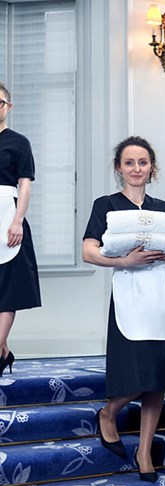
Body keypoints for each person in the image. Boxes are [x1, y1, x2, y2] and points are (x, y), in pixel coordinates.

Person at [82, 136, 165, 482]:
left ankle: (145, 451)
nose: (136, 168)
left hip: (161, 293)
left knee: (157, 378)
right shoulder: (106, 205)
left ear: (151, 167)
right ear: (119, 168)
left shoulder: (162, 207)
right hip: (130, 293)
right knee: (138, 374)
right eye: (129, 163)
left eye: (143, 162)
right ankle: (109, 413)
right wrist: (124, 260)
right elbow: (89, 252)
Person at [0, 83, 41, 374]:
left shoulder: (18, 142)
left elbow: (24, 183)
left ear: (8, 107)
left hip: (7, 214)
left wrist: (17, 220)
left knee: (8, 286)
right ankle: (3, 353)